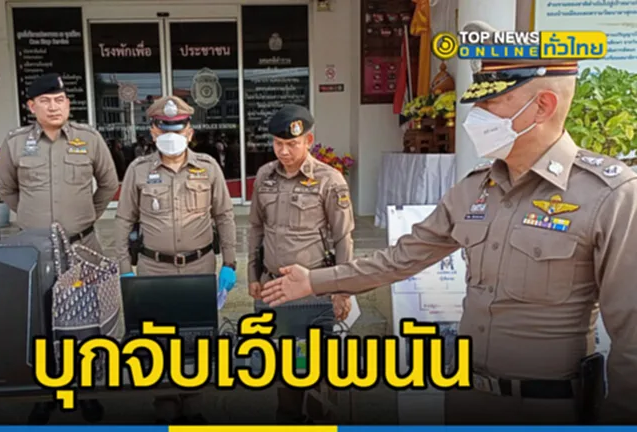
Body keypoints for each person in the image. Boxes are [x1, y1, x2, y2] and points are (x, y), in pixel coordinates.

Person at [261, 21, 637, 425]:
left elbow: (632, 341)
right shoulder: (474, 188)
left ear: (542, 106)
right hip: (466, 400)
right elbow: (399, 259)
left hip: (548, 409)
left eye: (491, 102)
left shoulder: (608, 196)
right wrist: (315, 281)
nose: (476, 116)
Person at [0, 72, 119, 424]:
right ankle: (46, 393)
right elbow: (7, 189)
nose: (54, 107)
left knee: (85, 322)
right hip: (34, 251)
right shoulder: (16, 143)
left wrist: (84, 218)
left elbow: (108, 183)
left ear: (68, 104)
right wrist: (33, 221)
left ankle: (87, 391)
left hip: (81, 246)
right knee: (41, 323)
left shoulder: (88, 139)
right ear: (31, 106)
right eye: (46, 101)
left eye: (60, 100)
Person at [114, 95, 237, 424]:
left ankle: (193, 404)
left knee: (197, 338)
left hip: (199, 266)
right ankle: (165, 403)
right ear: (153, 132)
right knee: (157, 338)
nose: (171, 134)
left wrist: (229, 263)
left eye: (178, 128)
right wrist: (125, 269)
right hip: (153, 269)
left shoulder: (208, 167)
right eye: (164, 127)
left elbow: (225, 216)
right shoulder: (138, 170)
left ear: (190, 132)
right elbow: (124, 221)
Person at [248, 104, 354, 424]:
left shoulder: (329, 179)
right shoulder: (264, 177)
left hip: (314, 290)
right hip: (274, 288)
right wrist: (252, 275)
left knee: (320, 370)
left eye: (292, 144)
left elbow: (343, 238)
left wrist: (342, 291)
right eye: (278, 143)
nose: (284, 151)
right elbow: (255, 228)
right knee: (284, 366)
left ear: (308, 140)